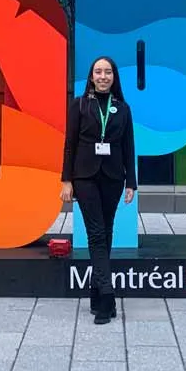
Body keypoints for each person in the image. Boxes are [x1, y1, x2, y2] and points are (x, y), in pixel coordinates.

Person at [60, 56, 136, 324]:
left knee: (106, 231)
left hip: (114, 177)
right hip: (85, 177)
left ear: (114, 77)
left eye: (107, 72)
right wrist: (66, 180)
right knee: (95, 233)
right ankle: (107, 296)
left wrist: (132, 183)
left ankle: (95, 293)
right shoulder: (79, 106)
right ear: (91, 77)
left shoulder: (123, 109)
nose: (103, 76)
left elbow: (129, 147)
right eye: (98, 72)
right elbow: (69, 144)